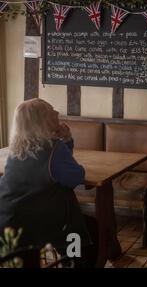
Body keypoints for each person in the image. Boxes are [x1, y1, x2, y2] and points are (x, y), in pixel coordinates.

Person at [0, 98, 97, 267]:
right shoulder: (54, 147)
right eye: (52, 112)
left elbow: (60, 169)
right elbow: (75, 177)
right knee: (84, 229)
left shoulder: (15, 149)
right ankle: (74, 259)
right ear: (43, 120)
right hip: (36, 224)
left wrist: (65, 143)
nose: (57, 113)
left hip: (6, 220)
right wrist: (66, 139)